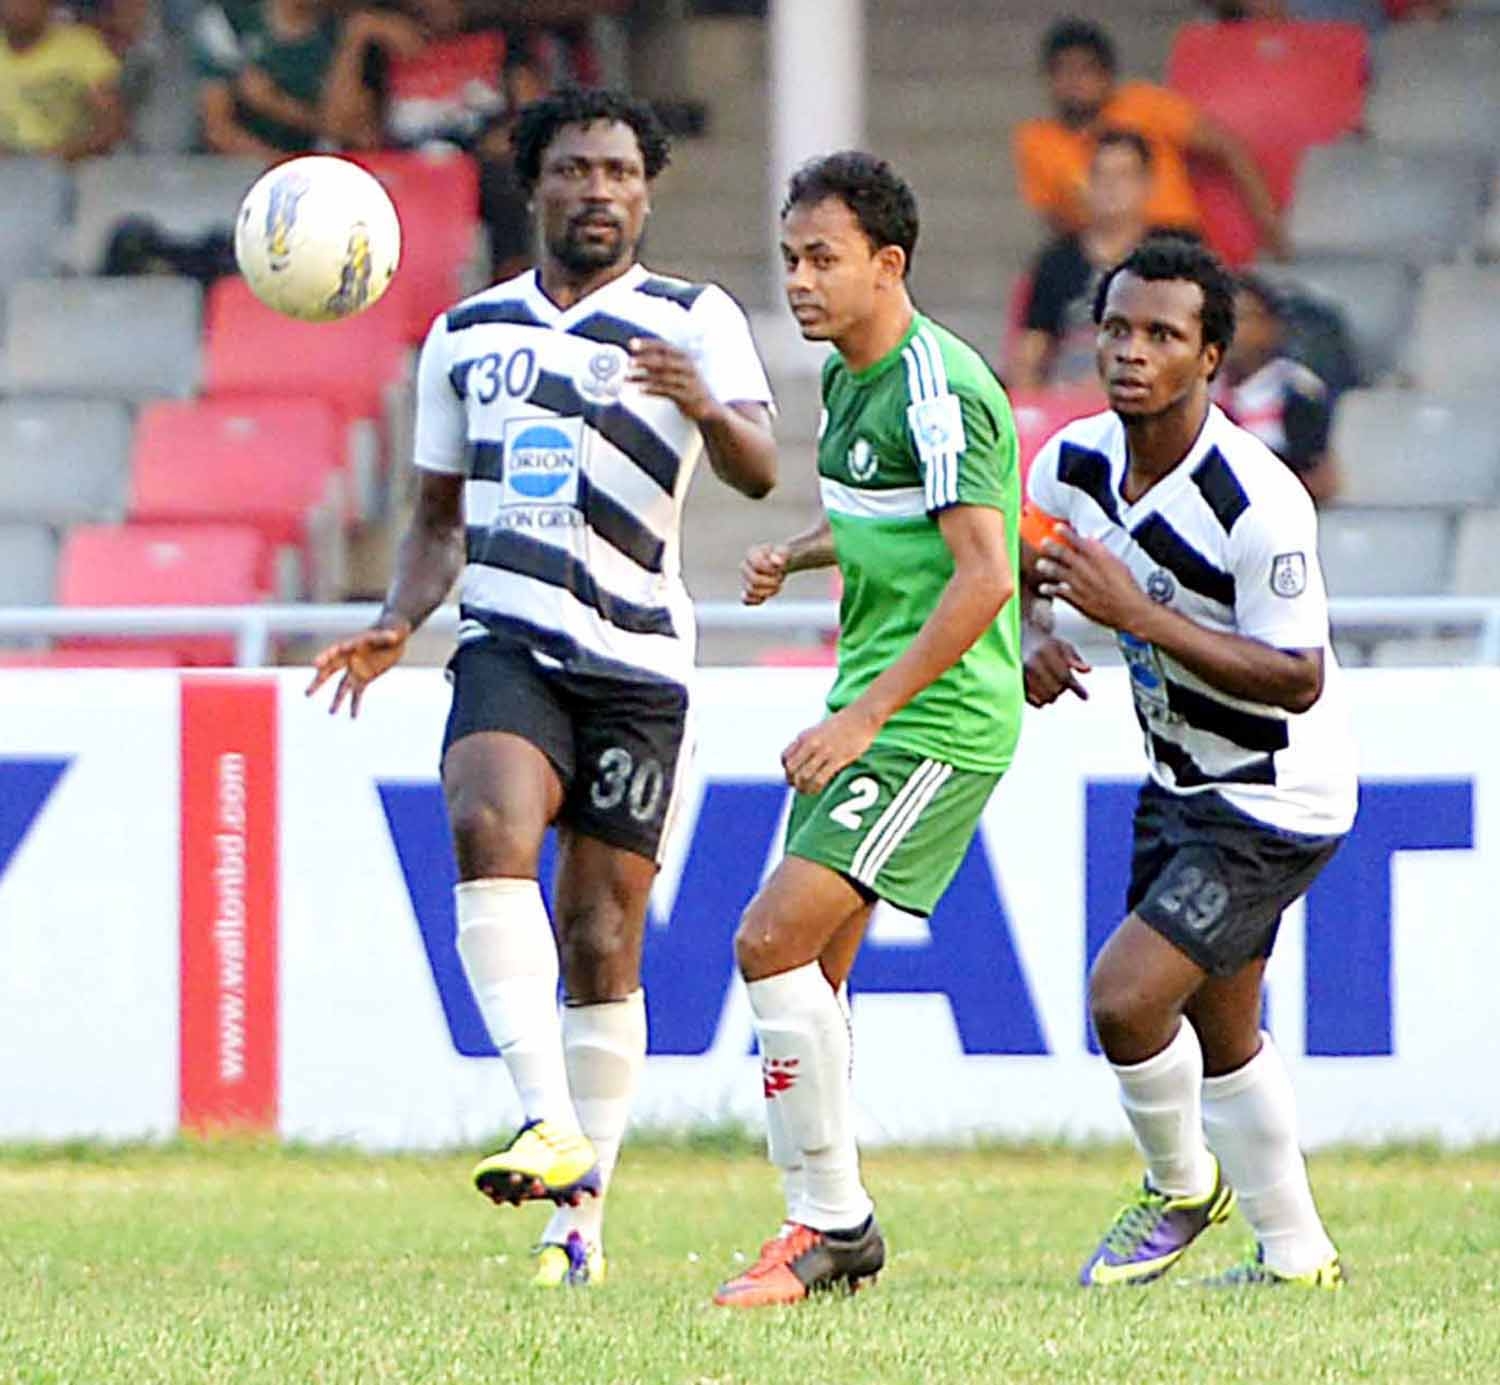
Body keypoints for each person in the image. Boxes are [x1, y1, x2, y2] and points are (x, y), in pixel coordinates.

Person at [306, 86, 777, 1289]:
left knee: (603, 936)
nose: (600, 190)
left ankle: (580, 1221)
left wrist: (704, 403)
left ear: (647, 189)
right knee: (483, 820)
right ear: (537, 184)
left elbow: (762, 469)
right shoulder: (467, 334)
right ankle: (541, 1113)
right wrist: (394, 618)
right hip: (506, 640)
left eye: (621, 171)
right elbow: (433, 521)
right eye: (575, 169)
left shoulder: (694, 318)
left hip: (638, 662)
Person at [717, 152, 1022, 1308]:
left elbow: (986, 575)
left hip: (931, 717)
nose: (798, 281)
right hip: (882, 706)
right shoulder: (852, 379)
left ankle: (835, 1222)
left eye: (822, 260)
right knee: (815, 978)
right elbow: (884, 516)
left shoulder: (937, 387)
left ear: (888, 264)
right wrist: (795, 552)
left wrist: (865, 713)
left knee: (767, 941)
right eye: (791, 258)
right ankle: (816, 1222)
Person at [1024, 236, 1355, 1289]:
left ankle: (1178, 1185)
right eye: (1118, 328)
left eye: (1163, 334)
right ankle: (1298, 1253)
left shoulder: (1258, 501)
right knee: (1224, 1027)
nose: (1131, 351)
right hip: (1181, 777)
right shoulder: (1069, 465)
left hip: (1273, 793)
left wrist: (1137, 618)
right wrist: (1035, 637)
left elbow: (1298, 676)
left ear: (1211, 356)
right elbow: (1029, 567)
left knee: (1126, 1000)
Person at [1013, 18, 1286, 257]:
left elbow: (1227, 146)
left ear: (1108, 76)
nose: (1074, 83)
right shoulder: (1037, 139)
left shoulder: (1145, 104)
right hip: (1097, 250)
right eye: (1062, 71)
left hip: (1170, 239)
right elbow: (1055, 219)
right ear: (1048, 79)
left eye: (1085, 70)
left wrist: (1268, 223)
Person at [1011, 129, 1155, 392]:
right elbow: (1029, 354)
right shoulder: (1056, 262)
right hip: (1067, 401)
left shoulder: (1168, 260)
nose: (1111, 187)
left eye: (1123, 176)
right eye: (1101, 175)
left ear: (1147, 185)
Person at [1213, 274, 1339, 504]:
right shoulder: (1195, 392)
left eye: (1242, 318)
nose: (1228, 330)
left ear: (1272, 328)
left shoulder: (1297, 392)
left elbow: (1318, 478)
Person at [193, 0, 346, 157]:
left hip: (313, 166)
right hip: (231, 169)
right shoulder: (229, 22)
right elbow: (218, 129)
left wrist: (278, 104)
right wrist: (279, 166)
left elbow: (350, 131)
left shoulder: (341, 29)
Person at [0, 0, 126, 159]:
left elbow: (111, 124)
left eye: (29, 3)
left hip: (69, 166)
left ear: (49, 6)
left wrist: (68, 152)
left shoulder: (83, 45)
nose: (18, 9)